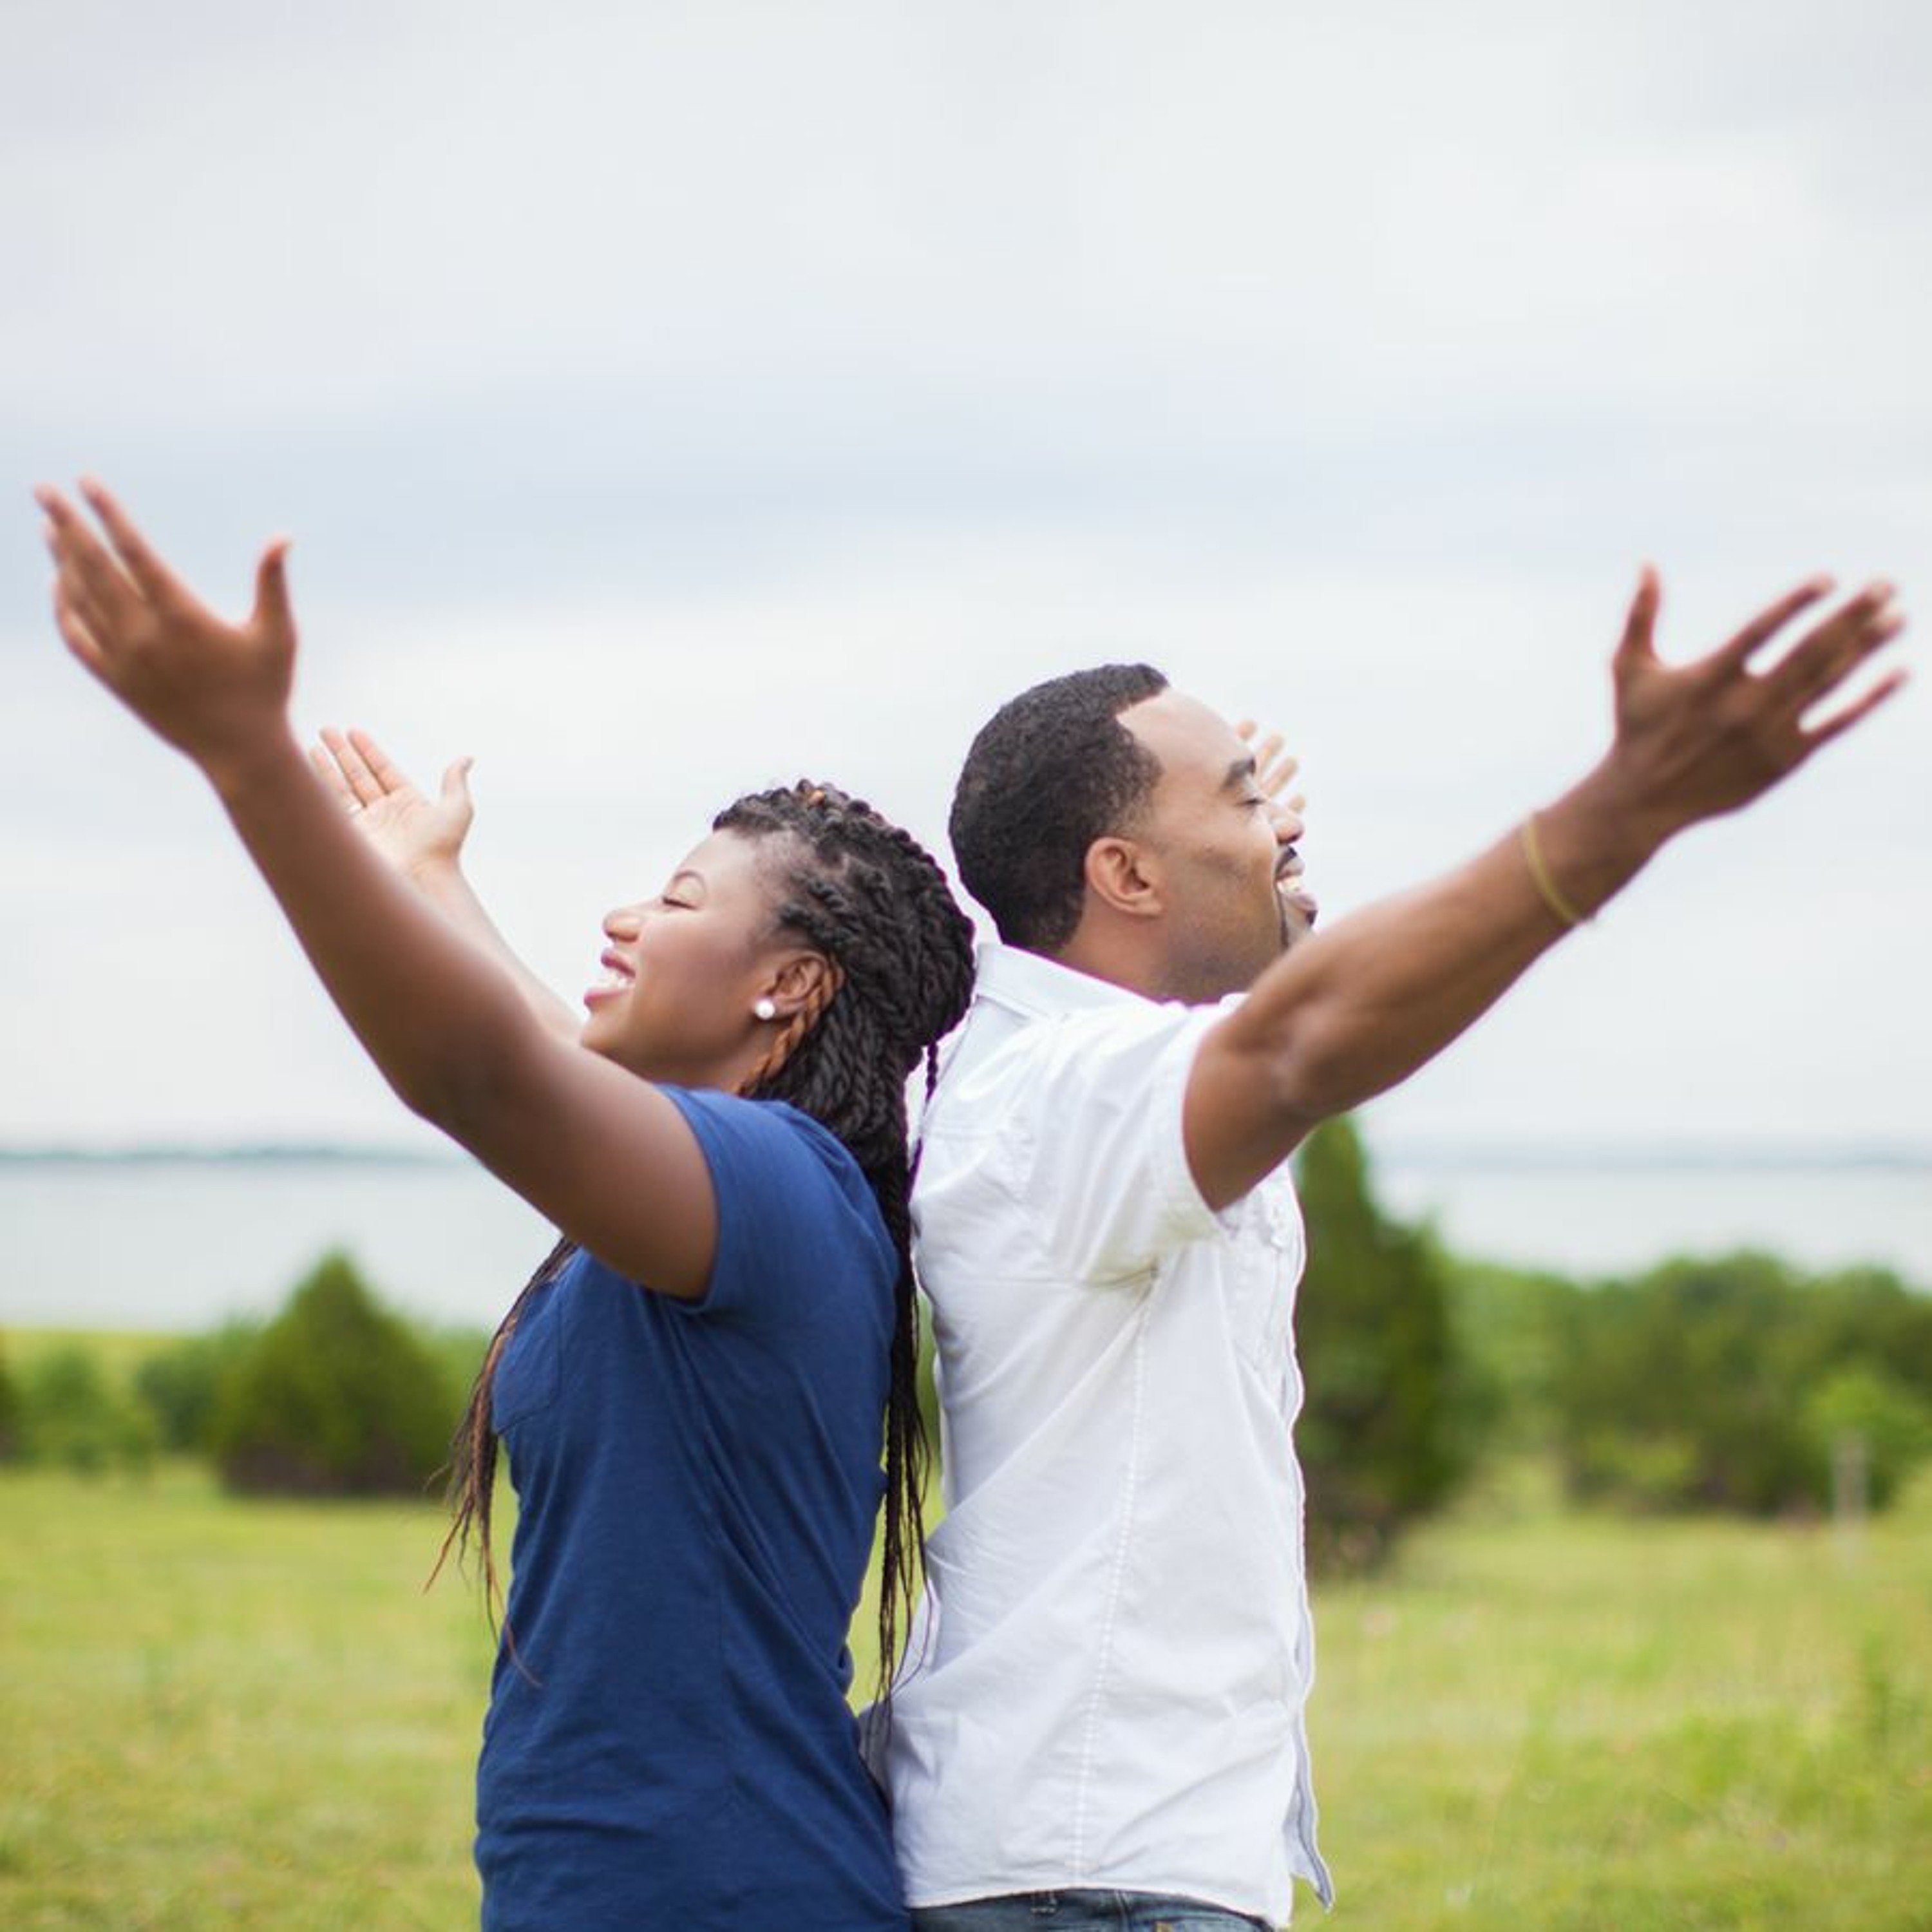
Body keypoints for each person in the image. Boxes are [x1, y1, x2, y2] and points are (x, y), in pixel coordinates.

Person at [880, 571, 1906, 1930]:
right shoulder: (1064, 1099)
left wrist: (1240, 865)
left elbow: (1273, 1005)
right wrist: (1626, 811)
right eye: (1248, 802)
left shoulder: (1055, 1073)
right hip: (1092, 1873)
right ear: (1124, 875)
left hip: (1093, 1854)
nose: (1286, 834)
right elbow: (1302, 1044)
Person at [36, 478, 977, 1929]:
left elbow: (484, 1075)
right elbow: (541, 1056)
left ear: (788, 984)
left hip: (723, 1892)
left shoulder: (777, 1190)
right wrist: (429, 883)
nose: (623, 918)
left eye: (677, 901)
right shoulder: (728, 1184)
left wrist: (248, 762)